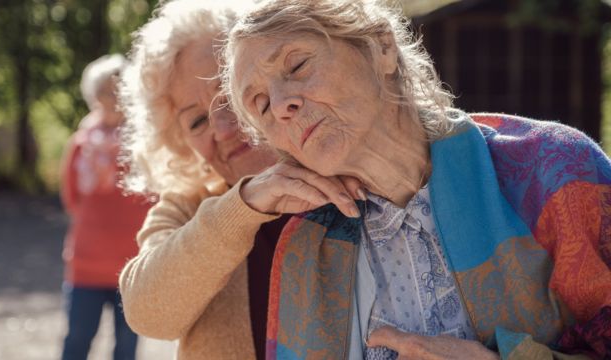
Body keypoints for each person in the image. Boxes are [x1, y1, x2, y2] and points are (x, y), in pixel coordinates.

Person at [221, 0, 611, 359]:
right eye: (261, 105)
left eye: (297, 66)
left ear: (382, 47)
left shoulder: (556, 169)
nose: (282, 105)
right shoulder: (306, 248)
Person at [116, 1, 365, 359]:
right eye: (197, 122)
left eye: (230, 95)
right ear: (179, 141)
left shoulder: (357, 174)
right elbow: (147, 314)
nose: (221, 128)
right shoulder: (188, 206)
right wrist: (245, 204)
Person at [59, 54, 153, 360]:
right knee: (77, 342)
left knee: (126, 349)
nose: (112, 98)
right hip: (86, 264)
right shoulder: (80, 143)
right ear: (93, 95)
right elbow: (70, 199)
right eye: (105, 91)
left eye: (118, 90)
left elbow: (159, 198)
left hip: (132, 265)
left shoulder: (147, 143)